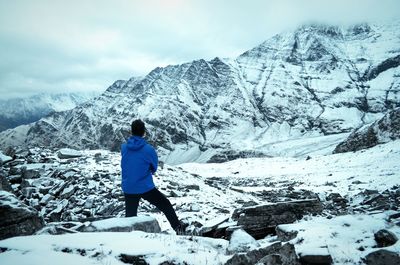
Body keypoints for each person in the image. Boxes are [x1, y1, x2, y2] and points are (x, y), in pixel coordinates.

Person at [121, 119, 186, 233]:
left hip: (128, 187)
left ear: (131, 132)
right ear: (144, 132)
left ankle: (129, 239)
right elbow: (154, 167)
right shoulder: (148, 149)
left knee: (130, 217)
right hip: (145, 186)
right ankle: (179, 229)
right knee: (165, 205)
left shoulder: (124, 147)